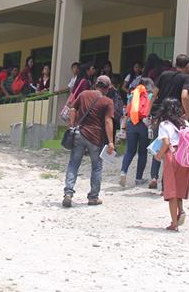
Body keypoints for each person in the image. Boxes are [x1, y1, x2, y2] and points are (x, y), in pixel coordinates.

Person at [62, 76, 115, 208]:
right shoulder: (107, 101)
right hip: (96, 138)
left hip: (80, 134)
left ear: (96, 85)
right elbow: (108, 121)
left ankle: (68, 193)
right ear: (107, 88)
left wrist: (72, 126)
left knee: (74, 164)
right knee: (96, 167)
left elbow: (73, 109)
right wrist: (111, 142)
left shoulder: (84, 94)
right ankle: (93, 197)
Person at [147, 54, 189, 189]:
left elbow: (154, 94)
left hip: (159, 114)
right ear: (187, 66)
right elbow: (184, 96)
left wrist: (149, 112)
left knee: (157, 146)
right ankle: (165, 185)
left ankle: (153, 177)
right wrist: (187, 112)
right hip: (174, 117)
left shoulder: (164, 75)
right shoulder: (185, 78)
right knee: (170, 148)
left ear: (175, 63)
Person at [154, 98, 189, 231]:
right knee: (180, 187)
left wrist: (158, 156)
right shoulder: (185, 123)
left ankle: (174, 223)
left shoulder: (164, 124)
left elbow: (165, 143)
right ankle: (181, 211)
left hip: (173, 155)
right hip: (186, 157)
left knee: (171, 190)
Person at [120, 70, 155, 187]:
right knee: (142, 152)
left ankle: (123, 172)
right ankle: (138, 179)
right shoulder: (150, 95)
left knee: (130, 150)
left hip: (131, 123)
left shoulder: (132, 94)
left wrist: (123, 128)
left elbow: (127, 112)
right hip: (144, 125)